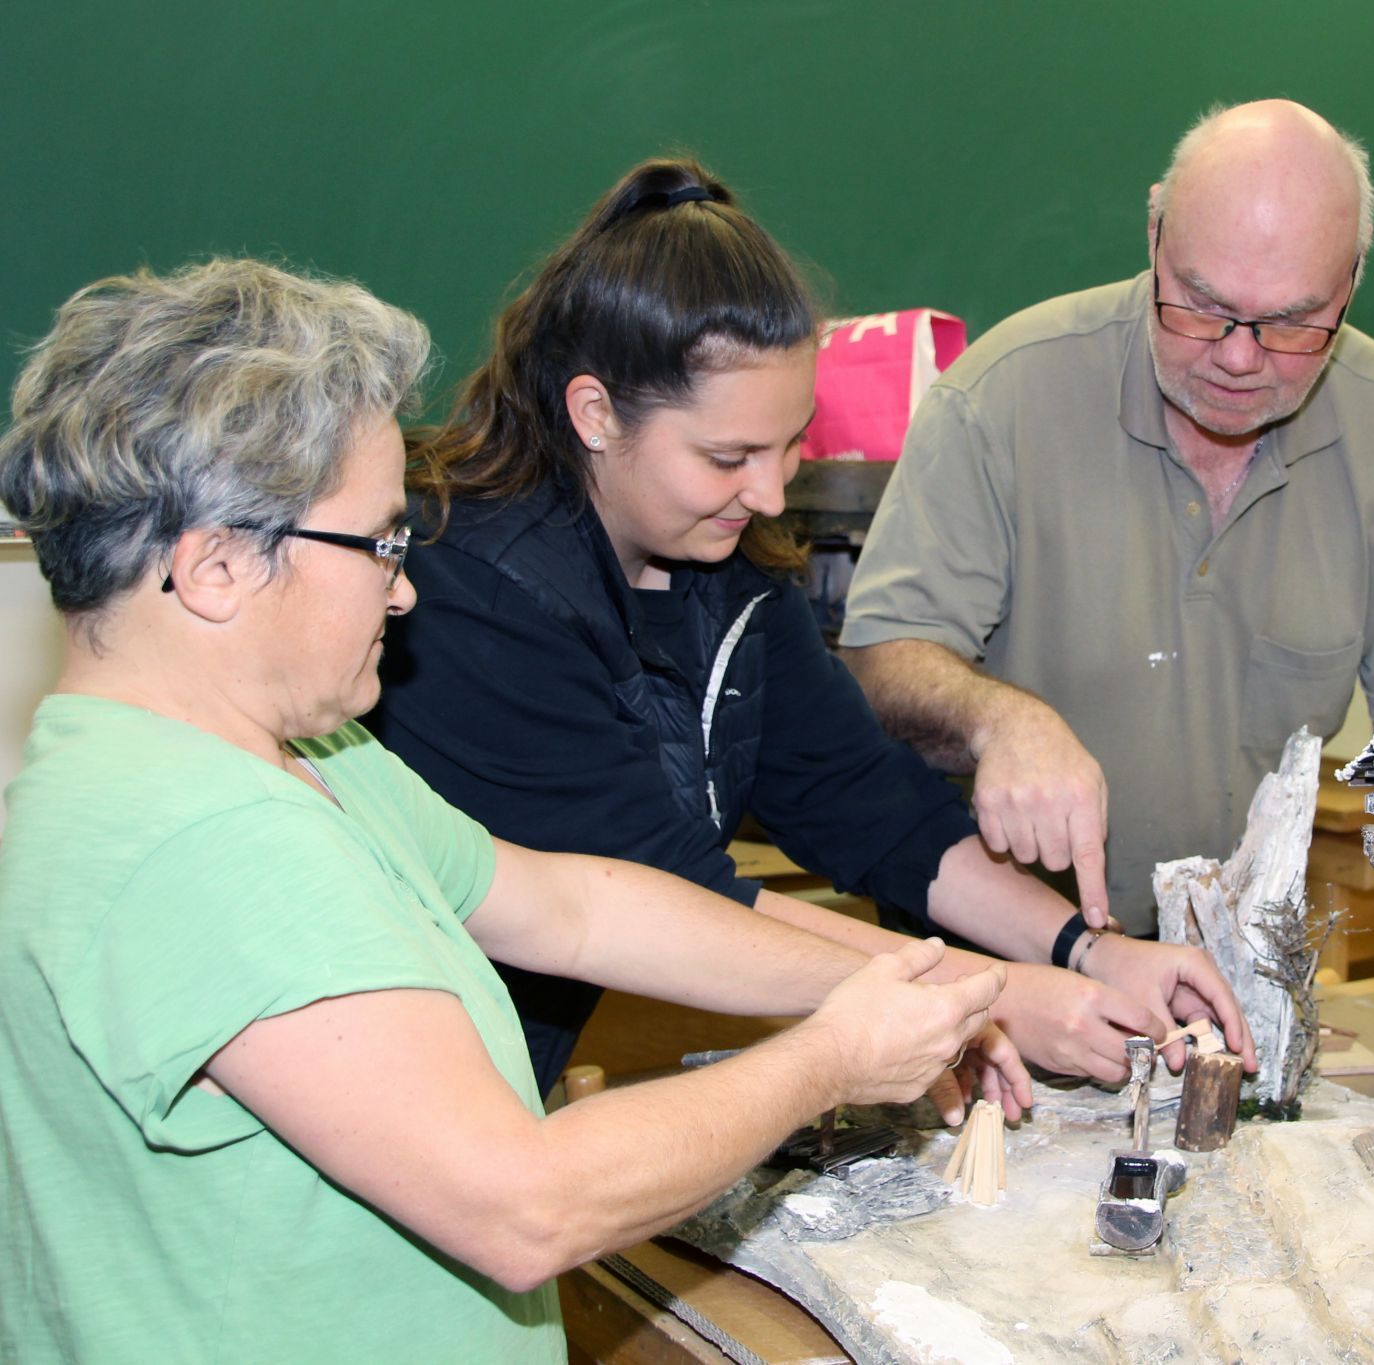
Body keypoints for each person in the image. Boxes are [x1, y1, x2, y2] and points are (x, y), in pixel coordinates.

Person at [0, 259, 1025, 1362]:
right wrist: (830, 1058)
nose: (403, 589)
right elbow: (526, 1205)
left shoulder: (307, 759)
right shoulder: (201, 841)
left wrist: (886, 987)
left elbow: (572, 908)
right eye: (378, 544)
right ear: (215, 567)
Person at [370, 157, 1252, 1095]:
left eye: (792, 443)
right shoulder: (475, 594)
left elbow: (869, 803)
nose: (768, 492)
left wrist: (1083, 949)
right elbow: (672, 899)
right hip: (394, 1076)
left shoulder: (728, 570)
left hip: (502, 1081)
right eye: (728, 457)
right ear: (593, 413)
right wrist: (981, 996)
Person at [840, 100, 1374, 935]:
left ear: (1352, 281)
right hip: (994, 946)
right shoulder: (1001, 401)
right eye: (1202, 304)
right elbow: (880, 664)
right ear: (1154, 235)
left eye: (1292, 322)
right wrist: (997, 720)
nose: (1239, 356)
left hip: (1236, 958)